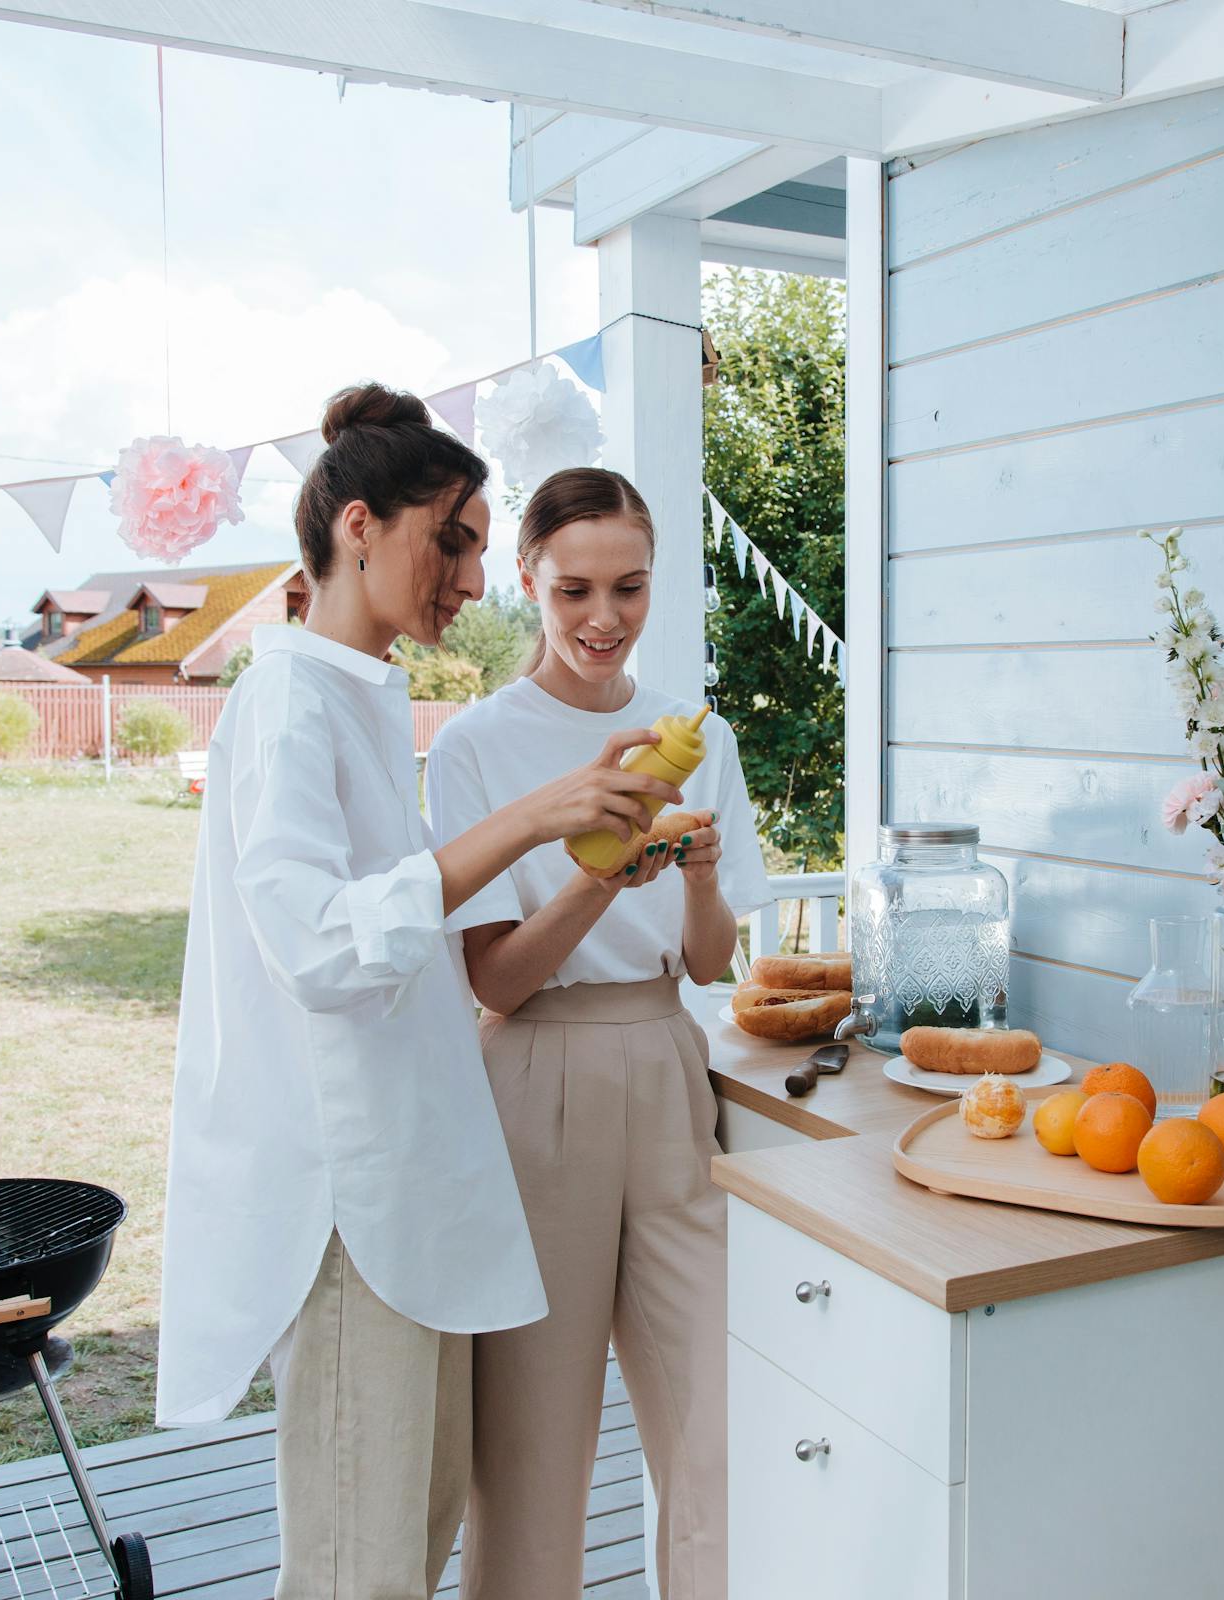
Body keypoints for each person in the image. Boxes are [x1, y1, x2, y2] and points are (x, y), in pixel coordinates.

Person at [155, 389, 683, 1600]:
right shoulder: (289, 698)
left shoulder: (358, 693)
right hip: (345, 1208)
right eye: (452, 541)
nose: (471, 579)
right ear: (358, 526)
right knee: (363, 1563)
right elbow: (318, 947)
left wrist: (580, 845)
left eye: (481, 553)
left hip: (405, 1189)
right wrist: (525, 821)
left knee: (419, 1520)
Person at [426, 467, 772, 1600]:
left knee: (720, 1427)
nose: (603, 617)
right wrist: (596, 876)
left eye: (629, 587)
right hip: (535, 1079)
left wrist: (701, 881)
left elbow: (714, 962)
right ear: (528, 577)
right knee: (532, 1450)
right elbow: (498, 983)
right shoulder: (476, 747)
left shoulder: (692, 732)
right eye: (574, 588)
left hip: (672, 1067)